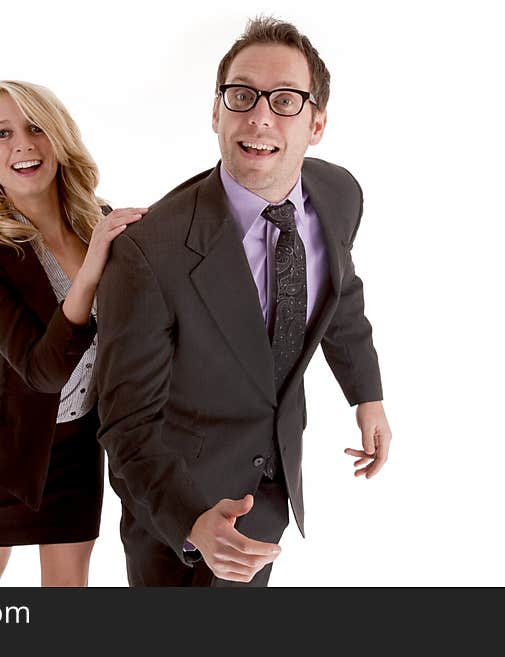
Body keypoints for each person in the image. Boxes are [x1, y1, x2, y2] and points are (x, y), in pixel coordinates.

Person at [96, 17, 392, 587]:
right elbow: (127, 424)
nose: (259, 116)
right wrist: (190, 523)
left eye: (285, 100)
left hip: (271, 486)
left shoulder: (337, 196)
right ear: (216, 112)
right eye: (241, 95)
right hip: (176, 510)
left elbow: (340, 293)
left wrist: (367, 395)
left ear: (318, 123)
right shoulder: (149, 252)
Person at [0, 80, 145, 587]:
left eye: (36, 127)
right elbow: (41, 371)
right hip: (3, 451)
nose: (23, 144)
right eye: (2, 133)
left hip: (79, 445)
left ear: (58, 138)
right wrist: (90, 270)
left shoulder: (99, 224)